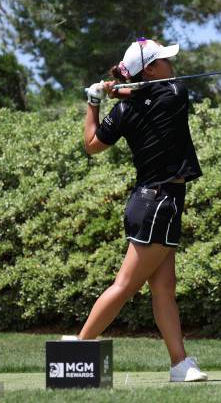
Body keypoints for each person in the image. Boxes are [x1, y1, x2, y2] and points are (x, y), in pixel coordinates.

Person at [63, 38, 207, 382]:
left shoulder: (126, 110)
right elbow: (155, 93)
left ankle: (180, 364)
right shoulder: (173, 92)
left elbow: (92, 144)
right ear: (151, 69)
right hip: (158, 202)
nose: (172, 67)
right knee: (125, 285)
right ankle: (77, 351)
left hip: (155, 202)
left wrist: (95, 102)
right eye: (164, 61)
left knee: (163, 288)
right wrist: (117, 93)